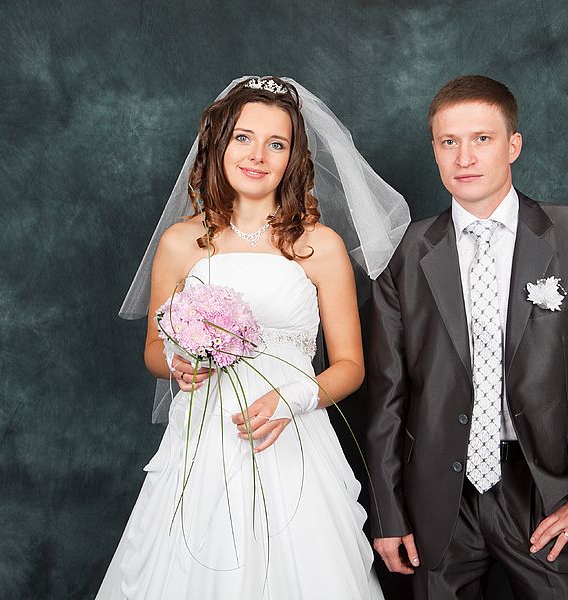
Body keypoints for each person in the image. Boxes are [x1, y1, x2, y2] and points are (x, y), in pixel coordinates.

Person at [97, 76, 408, 599]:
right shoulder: (181, 243)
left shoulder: (320, 247)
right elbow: (154, 348)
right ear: (219, 146)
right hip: (201, 442)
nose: (257, 155)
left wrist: (295, 397)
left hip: (290, 440)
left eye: (276, 143)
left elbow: (351, 365)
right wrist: (175, 364)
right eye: (243, 138)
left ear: (293, 158)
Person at [366, 75, 568, 599]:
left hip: (543, 484)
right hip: (436, 495)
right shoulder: (405, 253)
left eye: (482, 138)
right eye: (448, 142)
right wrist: (388, 511)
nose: (464, 157)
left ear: (513, 146)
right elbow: (387, 393)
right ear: (433, 150)